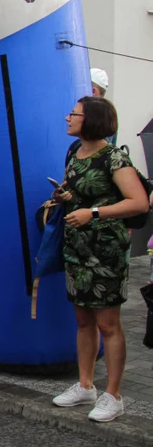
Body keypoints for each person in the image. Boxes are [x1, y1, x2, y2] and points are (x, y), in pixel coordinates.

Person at [51, 97, 148, 422]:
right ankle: (85, 385)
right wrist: (68, 198)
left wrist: (93, 212)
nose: (68, 117)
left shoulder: (114, 158)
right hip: (76, 247)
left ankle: (114, 395)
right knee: (82, 320)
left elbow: (138, 203)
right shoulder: (73, 152)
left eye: (73, 113)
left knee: (108, 324)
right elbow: (83, 191)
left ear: (90, 119)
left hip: (105, 250)